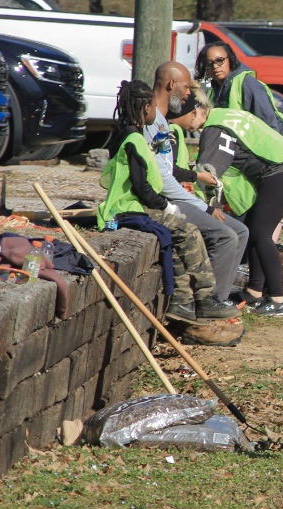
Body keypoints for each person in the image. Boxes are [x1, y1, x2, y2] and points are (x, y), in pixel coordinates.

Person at [97, 80, 218, 325]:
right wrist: (166, 206)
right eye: (153, 106)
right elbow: (142, 187)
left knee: (175, 234)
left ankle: (182, 301)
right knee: (188, 232)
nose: (157, 111)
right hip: (128, 208)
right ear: (144, 108)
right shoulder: (133, 139)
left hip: (134, 205)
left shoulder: (127, 134)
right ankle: (204, 298)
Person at [175, 95, 283, 316]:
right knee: (255, 229)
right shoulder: (223, 113)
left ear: (196, 112)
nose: (187, 128)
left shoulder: (214, 128)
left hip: (281, 168)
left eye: (181, 120)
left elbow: (210, 172)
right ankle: (254, 292)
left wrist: (199, 201)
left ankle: (278, 299)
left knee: (261, 233)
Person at [196, 41, 283, 255]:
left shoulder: (246, 84)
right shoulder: (217, 92)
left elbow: (268, 124)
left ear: (230, 60)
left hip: (282, 154)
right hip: (260, 159)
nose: (215, 66)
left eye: (220, 61)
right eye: (209, 64)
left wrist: (273, 161)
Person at [147, 63, 246, 318]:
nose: (189, 93)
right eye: (185, 86)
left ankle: (218, 299)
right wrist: (204, 206)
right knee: (225, 236)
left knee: (240, 230)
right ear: (171, 85)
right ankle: (206, 305)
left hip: (172, 196)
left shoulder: (163, 122)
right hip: (161, 202)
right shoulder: (152, 122)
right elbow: (162, 179)